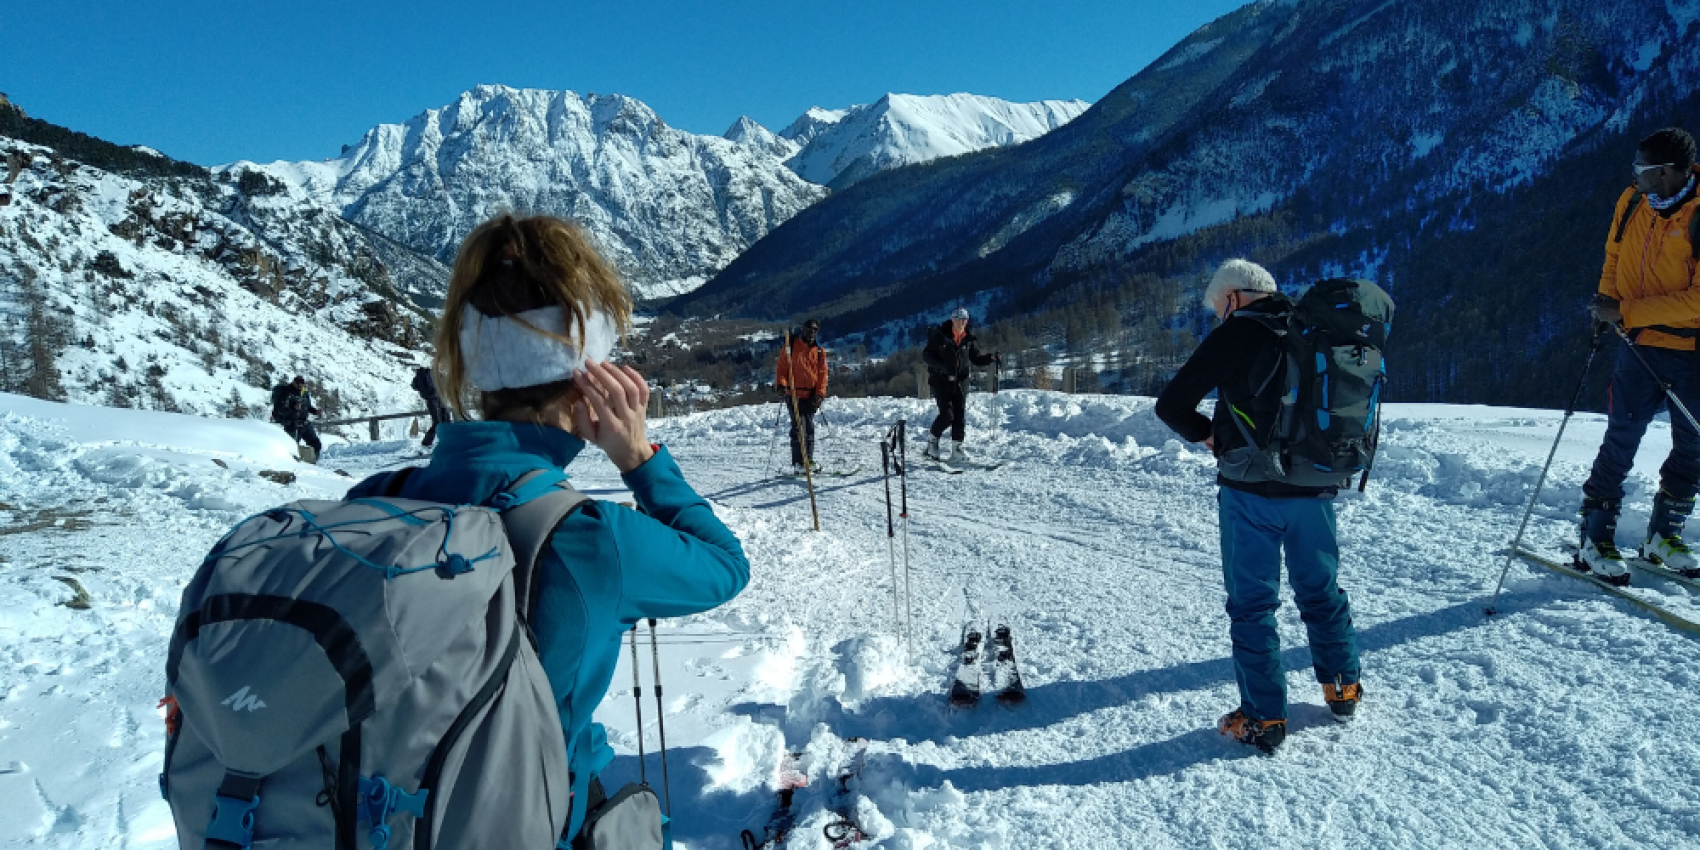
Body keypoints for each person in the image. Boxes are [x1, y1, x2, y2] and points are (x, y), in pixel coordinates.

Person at [345, 213, 749, 844]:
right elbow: (724, 567)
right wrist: (639, 459)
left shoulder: (372, 503)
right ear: (591, 377)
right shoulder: (586, 538)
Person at [1154, 259, 1362, 754]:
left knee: (1252, 605)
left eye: (1217, 308)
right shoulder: (1312, 328)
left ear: (1232, 298)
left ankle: (1264, 717)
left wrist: (1208, 435)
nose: (1218, 317)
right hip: (1315, 488)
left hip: (1250, 493)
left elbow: (1171, 404)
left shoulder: (1239, 333)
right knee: (1320, 588)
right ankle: (1342, 687)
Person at [1578, 127, 1700, 584]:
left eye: (1643, 169)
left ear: (1665, 173)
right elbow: (1614, 257)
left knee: (1693, 445)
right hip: (1636, 345)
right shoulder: (1631, 202)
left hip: (1689, 351)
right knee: (1622, 438)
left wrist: (1624, 310)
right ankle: (1596, 537)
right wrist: (1605, 309)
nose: (1635, 176)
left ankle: (1662, 536)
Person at [922, 307, 997, 462]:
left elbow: (975, 359)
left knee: (959, 416)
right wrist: (941, 366)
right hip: (941, 382)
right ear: (952, 320)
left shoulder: (969, 339)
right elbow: (927, 355)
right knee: (947, 416)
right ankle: (932, 442)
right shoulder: (940, 336)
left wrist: (991, 358)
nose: (962, 322)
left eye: (965, 319)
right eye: (958, 319)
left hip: (961, 383)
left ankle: (956, 449)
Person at [775, 318, 828, 474]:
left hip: (810, 395)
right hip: (793, 393)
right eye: (808, 328)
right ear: (803, 329)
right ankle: (798, 463)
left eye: (814, 329)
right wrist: (781, 385)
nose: (811, 332)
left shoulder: (819, 352)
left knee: (809, 429)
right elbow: (781, 368)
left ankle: (808, 460)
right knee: (799, 428)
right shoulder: (790, 346)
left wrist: (820, 394)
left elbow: (823, 375)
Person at [269, 374, 321, 460]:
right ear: (293, 382)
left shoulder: (304, 394)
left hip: (304, 423)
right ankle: (293, 465)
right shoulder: (286, 393)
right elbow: (280, 410)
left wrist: (315, 411)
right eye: (298, 383)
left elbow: (307, 407)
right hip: (290, 424)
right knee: (292, 448)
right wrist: (294, 409)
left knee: (315, 444)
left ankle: (312, 462)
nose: (300, 385)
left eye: (302, 383)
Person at [411, 365, 453, 448]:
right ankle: (426, 442)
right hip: (434, 399)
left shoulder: (430, 373)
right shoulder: (428, 374)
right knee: (438, 421)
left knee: (445, 419)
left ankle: (447, 440)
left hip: (438, 398)